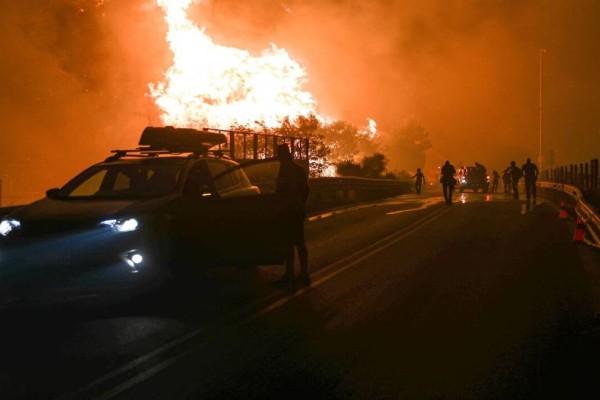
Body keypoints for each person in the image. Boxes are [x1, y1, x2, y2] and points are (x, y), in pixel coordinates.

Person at [275, 143, 310, 285]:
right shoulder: (283, 170)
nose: (279, 157)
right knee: (288, 243)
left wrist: (298, 205)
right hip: (287, 211)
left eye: (280, 155)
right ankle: (291, 274)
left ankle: (303, 274)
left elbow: (305, 190)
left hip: (294, 212)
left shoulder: (295, 170)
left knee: (298, 243)